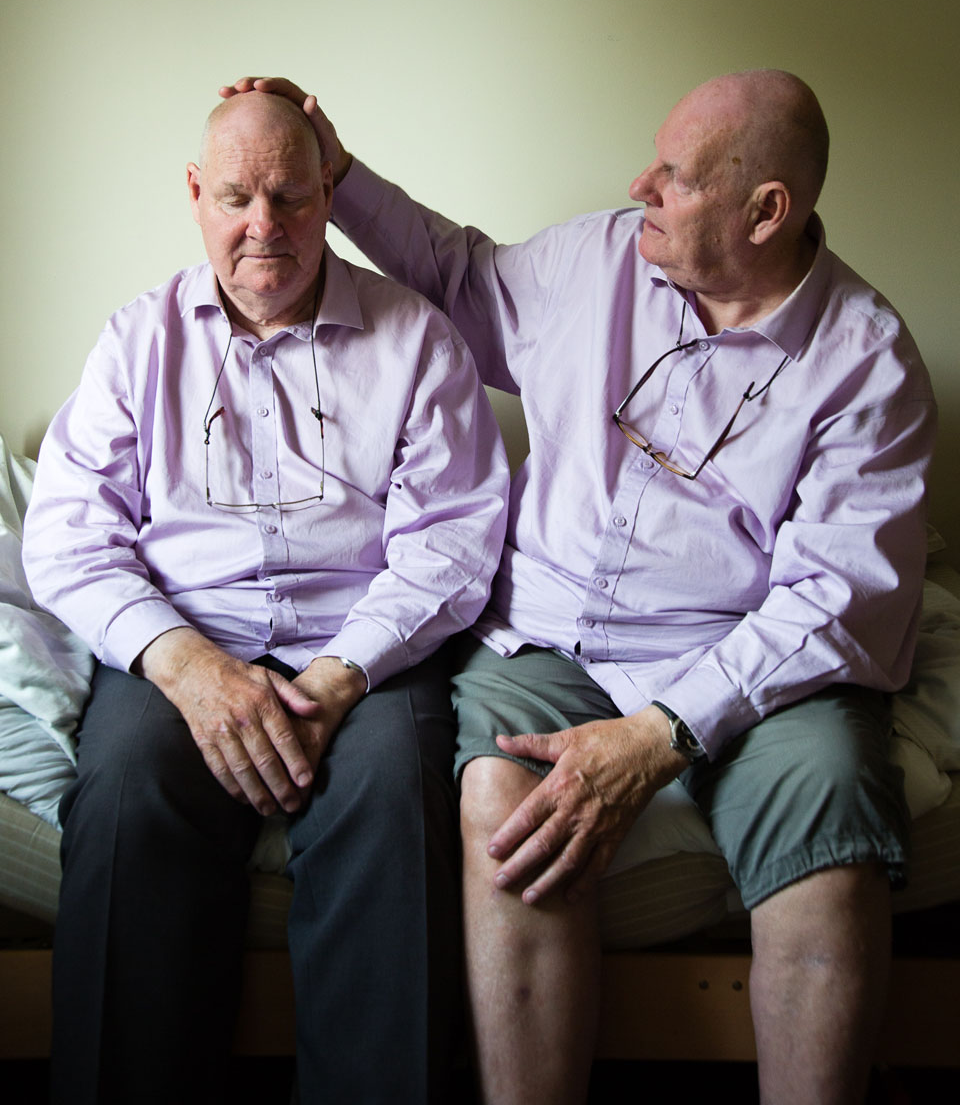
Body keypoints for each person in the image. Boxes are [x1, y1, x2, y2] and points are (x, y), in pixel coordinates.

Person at [226, 70, 938, 1104]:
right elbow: (457, 274)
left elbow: (835, 598)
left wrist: (661, 736)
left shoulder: (868, 361)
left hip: (744, 655)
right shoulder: (602, 257)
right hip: (545, 638)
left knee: (831, 814)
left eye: (677, 176)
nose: (642, 184)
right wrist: (337, 172)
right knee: (501, 802)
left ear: (767, 211)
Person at [22, 90, 509, 1105]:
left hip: (367, 653)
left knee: (394, 800)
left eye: (290, 195)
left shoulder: (416, 337)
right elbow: (66, 534)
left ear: (329, 190)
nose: (264, 225)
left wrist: (339, 676)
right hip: (181, 645)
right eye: (237, 197)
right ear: (196, 193)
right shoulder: (137, 340)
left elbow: (454, 541)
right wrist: (187, 667)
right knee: (124, 793)